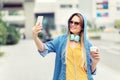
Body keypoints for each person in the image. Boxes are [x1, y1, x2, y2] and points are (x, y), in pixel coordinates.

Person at [32, 13, 100, 80]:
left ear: (82, 27)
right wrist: (35, 36)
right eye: (71, 22)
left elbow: (90, 71)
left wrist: (94, 62)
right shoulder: (61, 40)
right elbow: (43, 48)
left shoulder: (88, 45)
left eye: (76, 23)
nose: (72, 24)